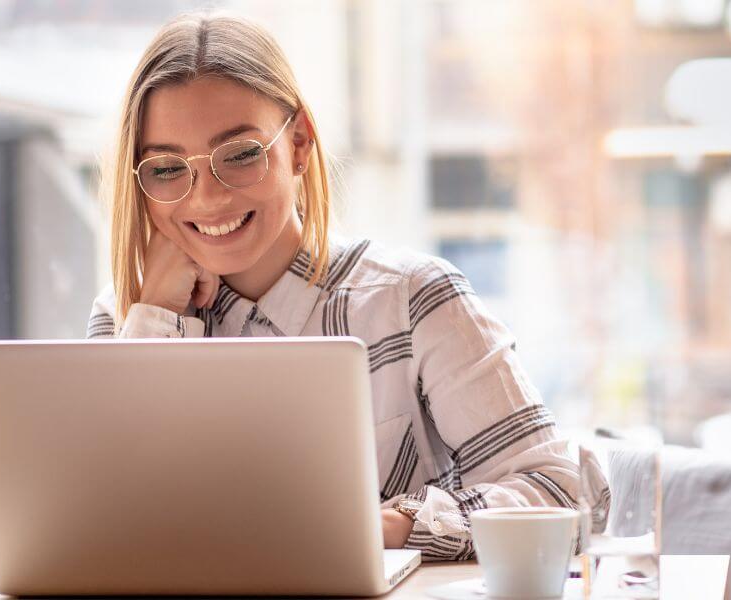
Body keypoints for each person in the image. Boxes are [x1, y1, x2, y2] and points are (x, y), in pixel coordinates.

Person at [86, 11, 608, 560]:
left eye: (240, 155)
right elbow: (102, 528)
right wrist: (160, 314)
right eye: (167, 169)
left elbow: (559, 493)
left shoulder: (412, 299)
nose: (208, 198)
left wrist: (395, 526)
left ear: (301, 144)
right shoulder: (126, 315)